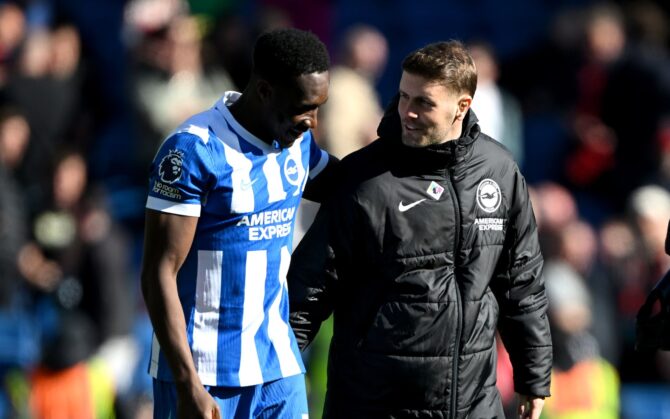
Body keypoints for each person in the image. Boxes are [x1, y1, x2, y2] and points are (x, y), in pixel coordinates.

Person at [288, 40, 552, 418]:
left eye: (423, 103)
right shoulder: (365, 179)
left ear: (463, 107)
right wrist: (280, 380)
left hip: (474, 405)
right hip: (375, 405)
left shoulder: (499, 171)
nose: (406, 112)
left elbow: (521, 283)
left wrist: (533, 376)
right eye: (403, 97)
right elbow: (307, 292)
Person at [140, 28, 334, 419]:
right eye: (303, 107)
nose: (312, 122)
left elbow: (351, 188)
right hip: (203, 375)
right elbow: (158, 272)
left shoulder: (296, 145)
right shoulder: (193, 150)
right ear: (264, 91)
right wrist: (187, 384)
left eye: (318, 108)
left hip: (278, 368)